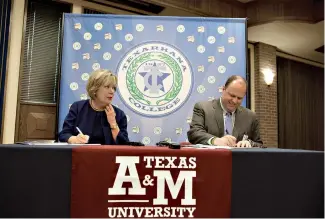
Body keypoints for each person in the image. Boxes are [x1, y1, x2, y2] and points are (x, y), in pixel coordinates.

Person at [187, 75, 263, 147]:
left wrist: (249, 143)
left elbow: (259, 144)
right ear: (223, 89)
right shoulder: (203, 108)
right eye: (232, 96)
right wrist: (215, 140)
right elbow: (194, 133)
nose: (235, 101)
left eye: (239, 98)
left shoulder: (251, 117)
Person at [58, 69, 129, 145]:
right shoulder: (78, 108)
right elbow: (64, 134)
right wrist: (74, 139)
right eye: (107, 87)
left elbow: (124, 145)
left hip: (108, 156)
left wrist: (113, 124)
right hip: (81, 155)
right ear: (95, 89)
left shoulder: (119, 114)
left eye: (113, 88)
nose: (112, 91)